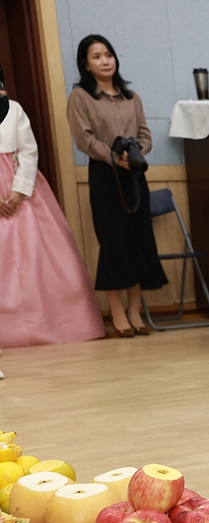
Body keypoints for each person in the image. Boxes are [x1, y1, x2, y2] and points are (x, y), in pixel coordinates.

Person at [0, 60, 103, 351]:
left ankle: (51, 325)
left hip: (22, 194)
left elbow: (28, 151)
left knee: (35, 258)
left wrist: (19, 190)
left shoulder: (15, 109)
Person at [66, 34, 165, 338]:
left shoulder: (131, 97)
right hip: (105, 176)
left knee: (139, 240)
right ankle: (117, 311)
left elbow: (146, 134)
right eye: (96, 56)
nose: (105, 61)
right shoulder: (81, 97)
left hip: (134, 175)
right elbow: (84, 138)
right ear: (86, 63)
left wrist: (137, 153)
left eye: (108, 54)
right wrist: (113, 157)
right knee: (114, 242)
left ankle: (135, 310)